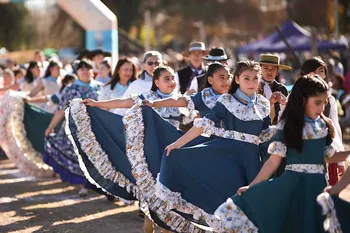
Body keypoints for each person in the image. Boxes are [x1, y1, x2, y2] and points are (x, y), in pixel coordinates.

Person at [69, 65, 199, 232]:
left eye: (173, 78)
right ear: (156, 82)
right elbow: (123, 103)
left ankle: (166, 226)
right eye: (167, 78)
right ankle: (149, 222)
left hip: (171, 153)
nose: (172, 81)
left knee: (169, 193)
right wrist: (97, 104)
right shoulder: (147, 97)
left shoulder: (180, 100)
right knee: (152, 192)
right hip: (151, 153)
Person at [214, 74, 350, 233]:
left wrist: (348, 153)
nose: (321, 108)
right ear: (303, 99)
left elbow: (327, 156)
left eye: (324, 103)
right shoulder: (289, 126)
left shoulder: (323, 125)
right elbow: (273, 162)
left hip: (317, 186)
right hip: (292, 186)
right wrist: (252, 186)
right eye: (317, 103)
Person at [151, 61, 275, 231]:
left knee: (253, 205)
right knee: (229, 200)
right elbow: (203, 125)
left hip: (253, 158)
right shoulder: (227, 100)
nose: (252, 83)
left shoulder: (262, 103)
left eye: (255, 79)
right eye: (247, 78)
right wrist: (177, 144)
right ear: (237, 79)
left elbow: (265, 132)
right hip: (228, 156)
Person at [43, 60, 101, 196]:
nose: (85, 72)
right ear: (77, 72)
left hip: (97, 129)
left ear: (93, 70)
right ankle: (83, 186)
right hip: (74, 130)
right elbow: (61, 110)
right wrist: (51, 127)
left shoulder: (101, 87)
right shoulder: (70, 88)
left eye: (88, 69)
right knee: (78, 156)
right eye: (81, 69)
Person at [300, 57, 345, 185]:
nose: (318, 74)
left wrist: (340, 159)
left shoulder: (329, 99)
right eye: (314, 71)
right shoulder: (296, 97)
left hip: (323, 150)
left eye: (321, 71)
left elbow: (335, 128)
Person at [145, 62, 231, 120]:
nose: (226, 81)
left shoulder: (236, 96)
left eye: (228, 77)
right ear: (210, 80)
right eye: (221, 77)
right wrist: (154, 103)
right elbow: (180, 101)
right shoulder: (203, 97)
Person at [258, 54, 290, 125]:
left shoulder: (282, 89)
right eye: (266, 68)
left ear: (277, 71)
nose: (269, 72)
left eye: (273, 69)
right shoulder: (254, 88)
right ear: (260, 69)